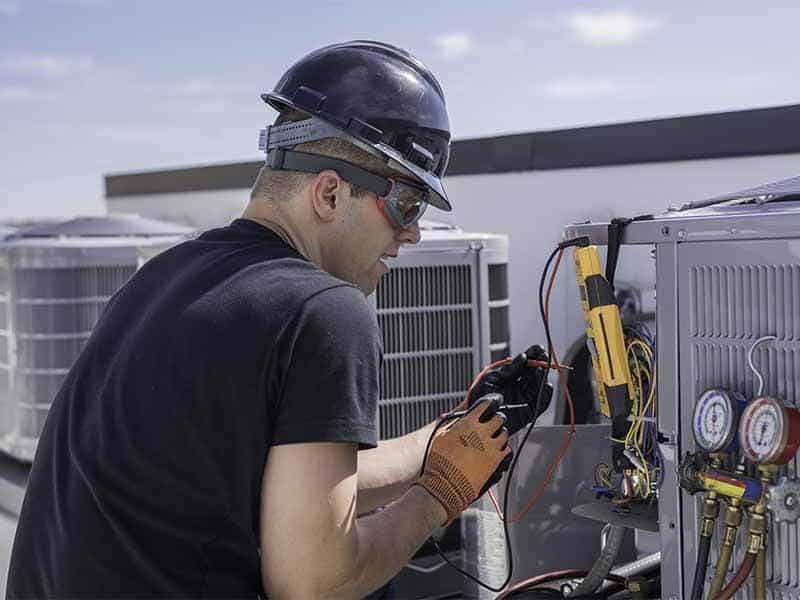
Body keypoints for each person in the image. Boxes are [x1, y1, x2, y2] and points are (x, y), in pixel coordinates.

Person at [6, 41, 548, 599]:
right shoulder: (325, 311)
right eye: (406, 206)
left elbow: (287, 491)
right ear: (330, 193)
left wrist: (449, 437)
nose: (411, 233)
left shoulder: (163, 278)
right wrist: (441, 493)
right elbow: (315, 583)